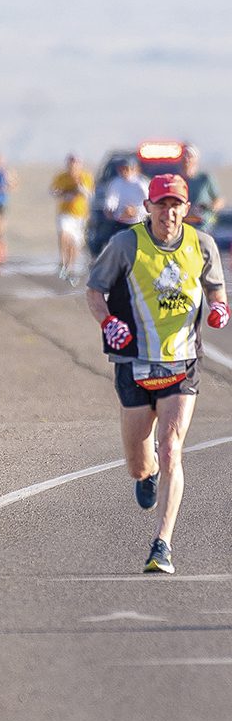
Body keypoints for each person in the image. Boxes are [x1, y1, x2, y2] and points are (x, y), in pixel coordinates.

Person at [86, 173, 229, 574]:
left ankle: (162, 544)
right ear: (148, 207)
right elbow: (94, 291)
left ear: (187, 208)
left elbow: (216, 289)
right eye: (161, 204)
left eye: (176, 205)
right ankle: (145, 475)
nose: (168, 212)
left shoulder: (202, 245)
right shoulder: (125, 244)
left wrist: (219, 307)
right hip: (133, 363)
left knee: (171, 450)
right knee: (140, 463)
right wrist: (107, 322)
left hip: (182, 364)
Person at [50, 153, 94, 284]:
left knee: (75, 243)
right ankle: (63, 261)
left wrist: (78, 183)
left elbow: (87, 193)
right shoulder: (61, 177)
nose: (72, 167)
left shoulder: (85, 176)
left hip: (79, 215)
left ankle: (71, 267)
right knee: (64, 235)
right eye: (70, 164)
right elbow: (53, 191)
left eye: (75, 164)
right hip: (65, 212)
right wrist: (60, 192)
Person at [179, 143, 225, 232]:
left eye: (190, 156)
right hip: (182, 224)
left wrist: (210, 207)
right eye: (184, 156)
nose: (186, 159)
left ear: (196, 159)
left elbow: (218, 200)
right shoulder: (177, 180)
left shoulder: (204, 178)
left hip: (202, 225)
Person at [103, 155, 149, 240]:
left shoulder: (141, 184)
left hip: (137, 222)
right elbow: (111, 200)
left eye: (128, 169)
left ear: (135, 170)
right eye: (123, 169)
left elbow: (149, 203)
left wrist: (136, 211)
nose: (125, 172)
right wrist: (109, 209)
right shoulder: (115, 183)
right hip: (119, 223)